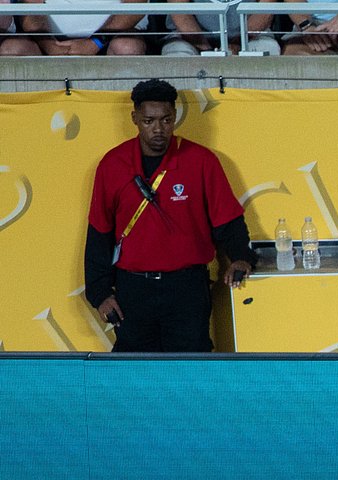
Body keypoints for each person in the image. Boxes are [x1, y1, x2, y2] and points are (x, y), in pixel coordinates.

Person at [84, 79, 255, 353]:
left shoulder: (201, 161)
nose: (158, 129)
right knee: (134, 370)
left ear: (174, 116)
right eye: (148, 121)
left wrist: (241, 257)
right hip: (133, 290)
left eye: (166, 120)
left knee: (190, 367)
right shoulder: (112, 164)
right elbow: (99, 233)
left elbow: (228, 220)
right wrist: (100, 294)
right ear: (135, 118)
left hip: (187, 288)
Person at [0, 0, 146, 56]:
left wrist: (96, 42)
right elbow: (31, 9)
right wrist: (48, 44)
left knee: (127, 48)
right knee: (12, 50)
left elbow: (135, 5)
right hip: (45, 40)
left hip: (110, 37)